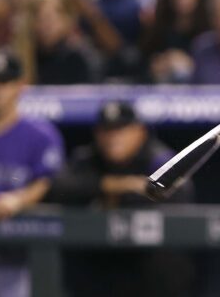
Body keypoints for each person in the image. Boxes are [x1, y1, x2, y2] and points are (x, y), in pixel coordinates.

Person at [48, 100, 194, 297]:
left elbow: (181, 194)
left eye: (121, 130)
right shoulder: (87, 158)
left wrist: (116, 200)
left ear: (140, 132)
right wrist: (113, 185)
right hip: (100, 270)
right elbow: (58, 187)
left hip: (148, 270)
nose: (113, 137)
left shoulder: (159, 159)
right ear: (97, 134)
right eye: (107, 130)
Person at [0, 51, 65, 297]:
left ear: (20, 86)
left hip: (23, 255)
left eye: (3, 82)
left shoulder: (41, 134)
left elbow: (48, 181)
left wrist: (17, 200)